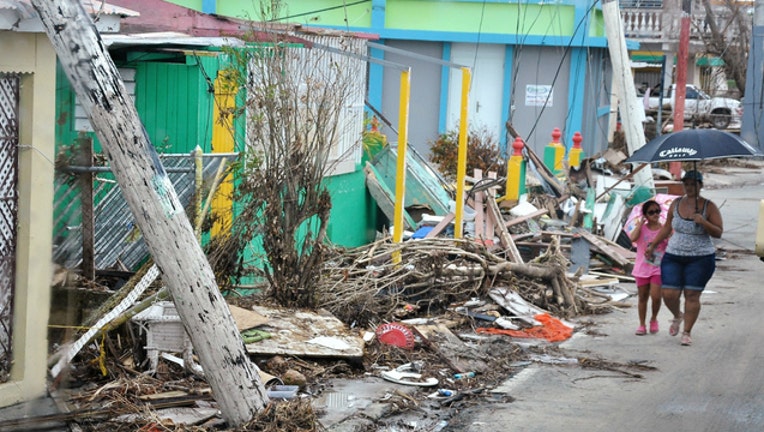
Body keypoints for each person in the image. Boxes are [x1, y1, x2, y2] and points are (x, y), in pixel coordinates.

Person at [646, 170, 723, 346]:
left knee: (692, 294)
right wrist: (653, 245)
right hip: (674, 255)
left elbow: (718, 232)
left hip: (701, 258)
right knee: (669, 293)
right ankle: (677, 315)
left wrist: (703, 222)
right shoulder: (676, 203)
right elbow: (666, 228)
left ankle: (687, 332)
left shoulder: (709, 207)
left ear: (700, 185)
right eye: (686, 184)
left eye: (693, 184)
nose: (689, 187)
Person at [628, 200, 668, 336]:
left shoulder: (664, 229)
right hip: (642, 268)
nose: (655, 214)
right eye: (651, 212)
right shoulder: (642, 229)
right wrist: (640, 225)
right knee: (642, 297)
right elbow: (632, 238)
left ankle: (653, 319)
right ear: (645, 215)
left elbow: (671, 244)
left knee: (656, 297)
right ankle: (642, 324)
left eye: (657, 211)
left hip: (658, 268)